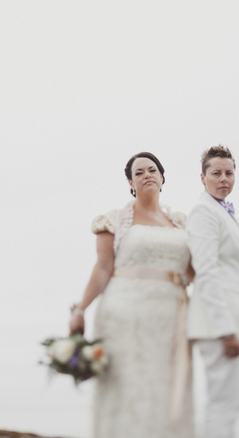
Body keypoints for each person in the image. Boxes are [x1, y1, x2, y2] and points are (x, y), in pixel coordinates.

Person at [69, 152, 195, 438]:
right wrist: (80, 310)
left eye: (153, 170)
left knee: (166, 389)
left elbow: (196, 272)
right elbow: (102, 268)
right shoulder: (114, 220)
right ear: (131, 182)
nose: (147, 174)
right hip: (125, 315)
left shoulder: (182, 224)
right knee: (128, 389)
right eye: (139, 172)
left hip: (171, 317)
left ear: (162, 178)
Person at [187, 145, 239, 438]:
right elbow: (205, 272)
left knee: (231, 403)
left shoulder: (223, 212)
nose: (223, 179)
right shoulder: (204, 212)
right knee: (224, 404)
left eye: (229, 173)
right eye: (216, 173)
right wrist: (226, 329)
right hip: (218, 324)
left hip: (231, 323)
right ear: (202, 177)